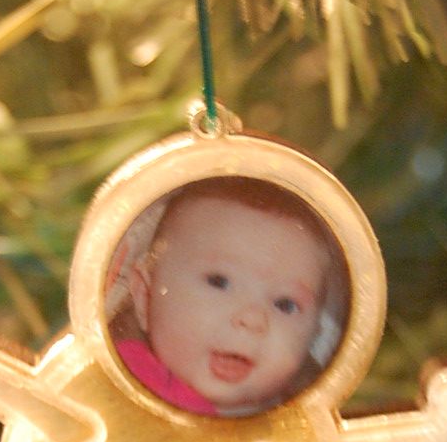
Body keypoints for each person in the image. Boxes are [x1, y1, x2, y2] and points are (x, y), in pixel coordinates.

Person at [113, 176, 347, 415]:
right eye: (219, 282)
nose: (253, 319)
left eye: (285, 304)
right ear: (145, 296)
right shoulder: (123, 386)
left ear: (315, 335)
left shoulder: (297, 419)